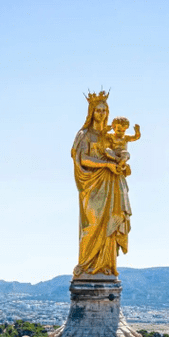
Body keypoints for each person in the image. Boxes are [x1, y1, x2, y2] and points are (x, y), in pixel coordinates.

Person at [71, 92, 133, 277]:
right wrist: (106, 164)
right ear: (92, 111)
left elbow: (119, 153)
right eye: (98, 110)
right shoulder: (84, 135)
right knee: (93, 224)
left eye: (104, 110)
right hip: (93, 184)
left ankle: (106, 267)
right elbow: (82, 158)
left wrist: (122, 164)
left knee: (110, 225)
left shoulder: (109, 136)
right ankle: (85, 266)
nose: (101, 113)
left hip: (112, 183)